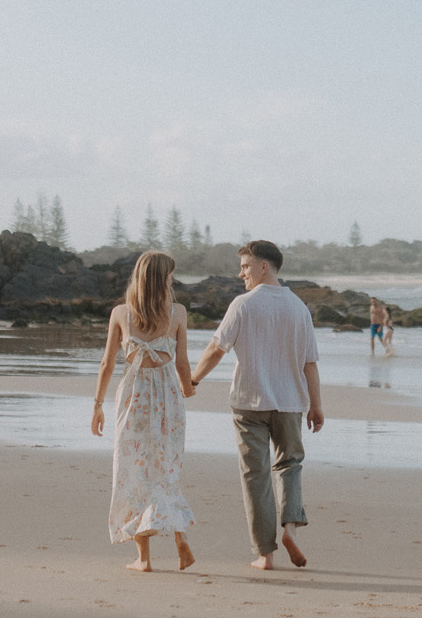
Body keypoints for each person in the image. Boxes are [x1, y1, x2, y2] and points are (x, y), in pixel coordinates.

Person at [192, 240, 322, 571]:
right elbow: (310, 363)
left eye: (246, 267)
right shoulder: (299, 308)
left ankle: (265, 554)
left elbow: (216, 349)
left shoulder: (243, 304)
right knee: (290, 465)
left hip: (248, 404)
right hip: (291, 403)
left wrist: (192, 380)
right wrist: (316, 406)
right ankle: (290, 527)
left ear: (264, 267)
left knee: (256, 475)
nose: (241, 274)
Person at [91, 250, 197, 572]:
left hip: (133, 396)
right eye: (169, 276)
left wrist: (97, 405)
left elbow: (108, 363)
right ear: (160, 279)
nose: (171, 281)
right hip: (167, 397)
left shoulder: (121, 314)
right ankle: (179, 538)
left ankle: (144, 558)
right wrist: (189, 388)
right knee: (166, 469)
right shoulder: (177, 313)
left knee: (133, 472)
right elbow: (181, 363)